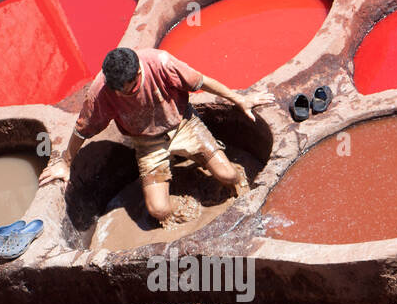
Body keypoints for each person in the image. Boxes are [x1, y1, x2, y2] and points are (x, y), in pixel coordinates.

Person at [38, 47, 269, 225]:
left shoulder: (161, 63)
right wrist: (65, 163)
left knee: (228, 176)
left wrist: (239, 99)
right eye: (115, 89)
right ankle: (188, 200)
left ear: (138, 72)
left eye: (127, 89)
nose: (120, 94)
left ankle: (217, 172)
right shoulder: (102, 90)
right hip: (147, 142)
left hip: (183, 125)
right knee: (159, 211)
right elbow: (83, 128)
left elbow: (201, 82)